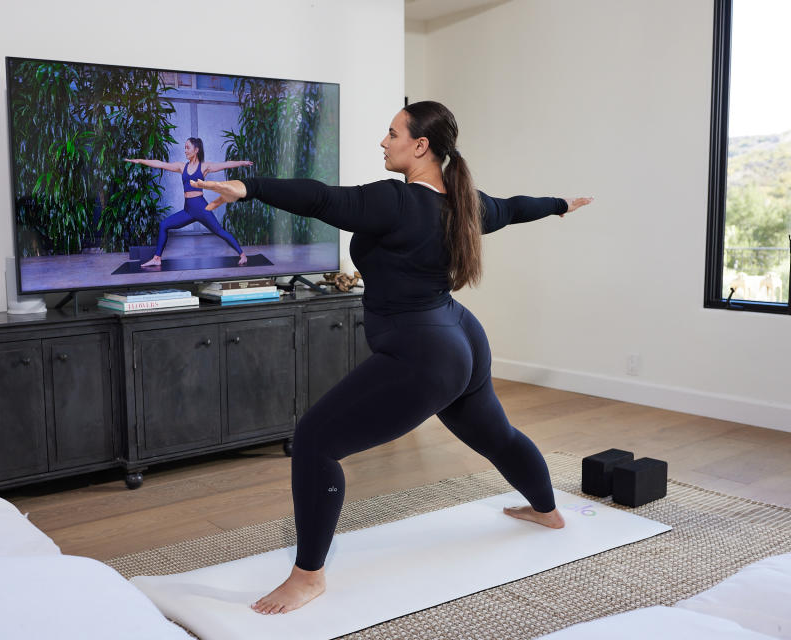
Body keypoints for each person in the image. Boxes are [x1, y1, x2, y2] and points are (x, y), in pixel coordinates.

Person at [192, 101, 594, 616]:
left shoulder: (396, 201)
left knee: (315, 439)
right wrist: (560, 203)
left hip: (424, 351)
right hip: (461, 335)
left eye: (392, 133)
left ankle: (307, 577)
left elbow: (320, 198)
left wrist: (250, 187)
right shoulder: (468, 202)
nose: (384, 142)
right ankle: (547, 512)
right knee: (498, 435)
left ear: (420, 146)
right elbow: (515, 207)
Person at [124, 138, 253, 267]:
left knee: (219, 231)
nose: (185, 150)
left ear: (196, 150)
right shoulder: (182, 166)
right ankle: (157, 258)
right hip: (188, 210)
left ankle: (242, 255)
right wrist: (140, 161)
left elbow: (225, 164)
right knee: (164, 225)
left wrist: (242, 163)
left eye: (188, 148)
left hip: (201, 208)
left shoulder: (204, 166)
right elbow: (161, 164)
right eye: (184, 147)